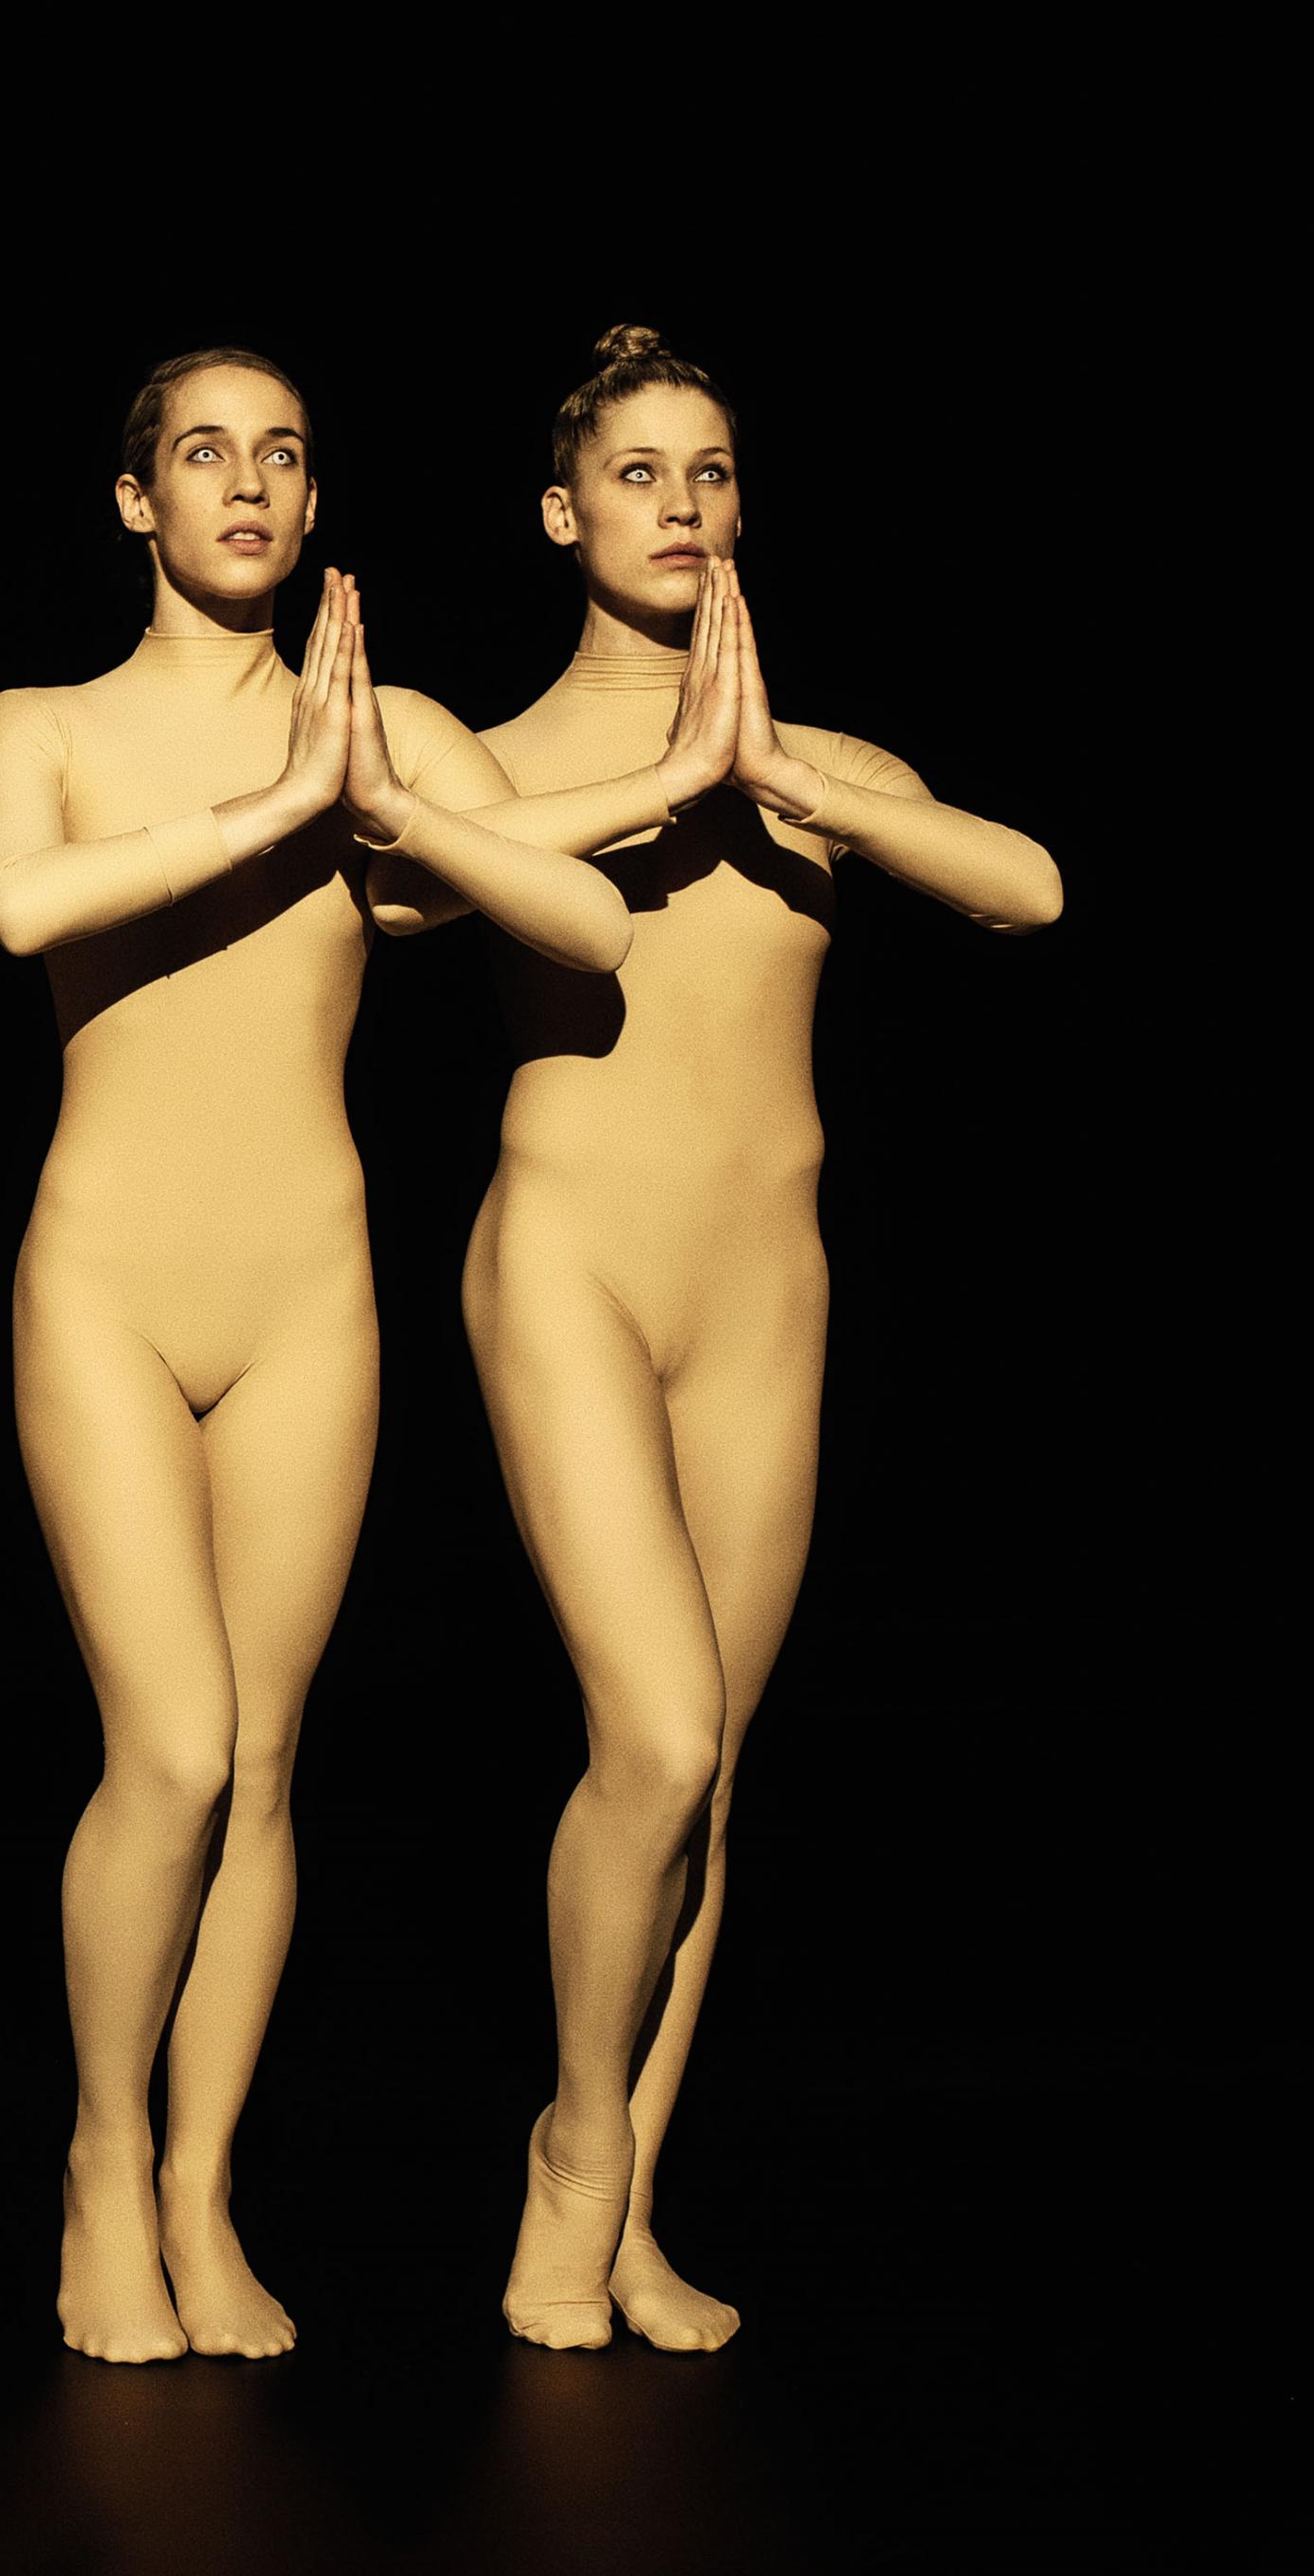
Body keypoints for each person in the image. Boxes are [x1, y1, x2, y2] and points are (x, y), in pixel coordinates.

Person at [0, 347, 680, 2364]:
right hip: (106, 1287)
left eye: (282, 454)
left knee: (264, 1764)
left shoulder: (383, 726)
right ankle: (101, 2164)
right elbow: (20, 907)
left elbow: (589, 924)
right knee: (172, 1750)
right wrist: (286, 807)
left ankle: (202, 2191)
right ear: (137, 502)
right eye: (204, 453)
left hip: (307, 1296)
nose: (249, 484)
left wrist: (385, 804)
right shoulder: (43, 722)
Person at [470, 328, 1059, 2352]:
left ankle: (631, 2201)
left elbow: (1028, 891)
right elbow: (395, 907)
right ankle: (570, 2152)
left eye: (707, 471)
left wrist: (782, 778)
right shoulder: (499, 757)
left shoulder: (823, 765)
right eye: (637, 473)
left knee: (705, 1778)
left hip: (762, 1297)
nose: (679, 504)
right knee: (650, 1733)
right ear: (561, 513)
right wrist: (665, 784)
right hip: (569, 1263)